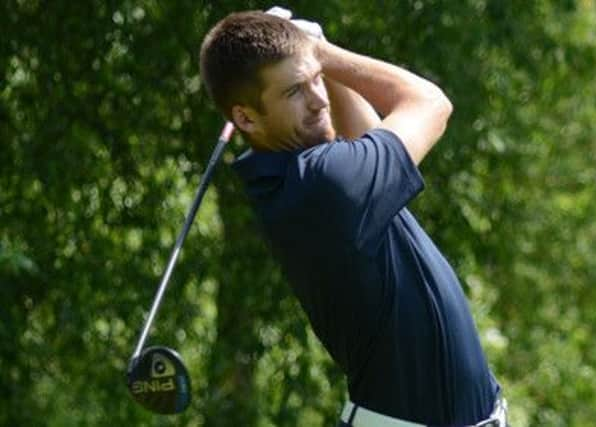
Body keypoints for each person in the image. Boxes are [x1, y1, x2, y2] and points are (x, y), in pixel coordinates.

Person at [199, 8, 508, 427]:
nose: (318, 99)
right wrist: (325, 54)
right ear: (246, 117)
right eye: (294, 92)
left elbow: (368, 134)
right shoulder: (324, 185)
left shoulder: (293, 176)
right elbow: (431, 103)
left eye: (315, 81)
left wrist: (314, 60)